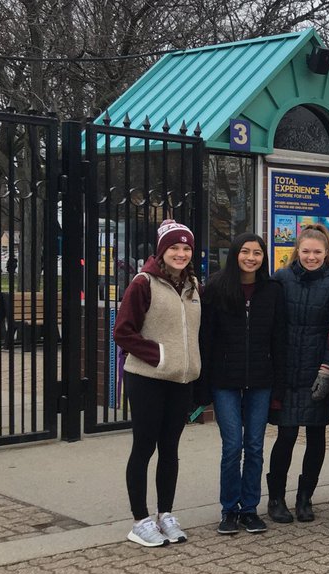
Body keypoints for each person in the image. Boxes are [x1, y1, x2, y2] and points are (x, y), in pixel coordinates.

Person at [113, 219, 201, 547]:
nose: (180, 253)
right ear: (162, 251)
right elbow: (122, 332)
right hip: (148, 378)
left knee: (170, 449)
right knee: (144, 448)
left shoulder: (193, 284)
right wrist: (160, 356)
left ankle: (166, 514)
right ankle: (140, 521)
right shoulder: (143, 283)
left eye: (186, 247)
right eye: (174, 248)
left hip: (181, 381)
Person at [199, 233, 286, 536]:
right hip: (224, 381)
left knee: (255, 446)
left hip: (261, 380)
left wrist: (279, 383)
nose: (251, 257)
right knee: (233, 446)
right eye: (246, 252)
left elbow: (279, 339)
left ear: (264, 257)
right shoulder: (216, 288)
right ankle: (229, 510)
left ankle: (250, 509)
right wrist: (203, 383)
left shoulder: (272, 290)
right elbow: (206, 339)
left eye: (257, 253)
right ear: (235, 254)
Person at [265, 224, 329, 523]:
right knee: (286, 436)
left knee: (316, 436)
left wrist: (327, 369)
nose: (311, 257)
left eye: (317, 252)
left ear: (326, 254)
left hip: (317, 372)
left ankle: (305, 498)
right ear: (296, 252)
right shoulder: (281, 279)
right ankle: (276, 498)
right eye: (306, 251)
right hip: (286, 372)